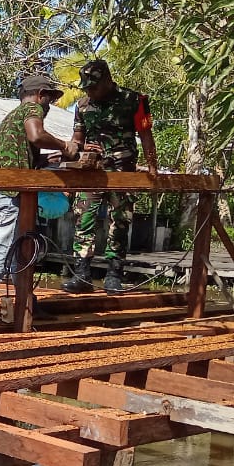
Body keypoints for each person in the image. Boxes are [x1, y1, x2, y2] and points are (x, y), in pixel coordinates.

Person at [0, 74, 80, 327]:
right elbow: (36, 135)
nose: (49, 105)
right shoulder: (31, 109)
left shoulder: (11, 118)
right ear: (41, 94)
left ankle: (26, 304)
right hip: (11, 194)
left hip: (10, 191)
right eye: (49, 99)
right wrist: (65, 145)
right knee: (2, 250)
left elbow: (20, 156)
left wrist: (47, 159)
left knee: (23, 250)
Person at [62, 60, 159, 295]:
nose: (89, 91)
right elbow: (77, 137)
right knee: (83, 220)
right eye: (86, 87)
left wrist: (152, 168)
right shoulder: (83, 105)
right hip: (91, 172)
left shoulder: (134, 100)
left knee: (120, 222)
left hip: (123, 171)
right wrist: (73, 152)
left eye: (93, 86)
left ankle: (114, 274)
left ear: (106, 80)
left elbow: (146, 134)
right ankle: (82, 274)